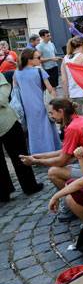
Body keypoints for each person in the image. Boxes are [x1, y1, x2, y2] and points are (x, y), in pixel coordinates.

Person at [20, 98, 83, 193]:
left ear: (61, 111)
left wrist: (35, 161)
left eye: (52, 113)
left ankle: (74, 199)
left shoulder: (72, 128)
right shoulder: (80, 119)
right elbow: (64, 151)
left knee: (53, 172)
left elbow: (62, 161)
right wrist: (35, 156)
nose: (51, 116)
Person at [0, 73, 42, 201]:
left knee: (19, 154)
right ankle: (3, 192)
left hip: (7, 120)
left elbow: (3, 91)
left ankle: (29, 186)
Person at [13, 48, 60, 154]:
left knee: (33, 131)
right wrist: (54, 102)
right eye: (38, 57)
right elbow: (50, 89)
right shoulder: (39, 70)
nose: (40, 59)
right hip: (41, 104)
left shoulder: (17, 73)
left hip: (27, 107)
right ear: (29, 59)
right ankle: (51, 151)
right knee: (47, 129)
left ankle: (36, 152)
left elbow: (15, 91)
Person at [61, 37, 83, 107]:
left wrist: (66, 95)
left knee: (76, 117)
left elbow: (64, 80)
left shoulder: (65, 58)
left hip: (72, 94)